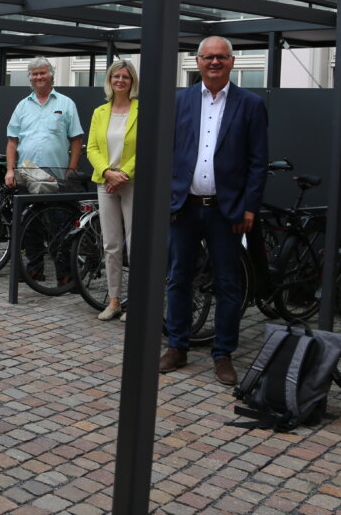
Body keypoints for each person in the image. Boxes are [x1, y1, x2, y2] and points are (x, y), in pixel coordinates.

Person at [160, 36, 268, 387]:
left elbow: (257, 161)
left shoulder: (250, 104)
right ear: (198, 62)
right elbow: (166, 151)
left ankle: (223, 353)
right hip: (185, 207)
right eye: (208, 57)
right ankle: (177, 346)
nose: (215, 63)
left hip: (227, 210)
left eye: (221, 57)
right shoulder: (180, 101)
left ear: (232, 62)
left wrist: (251, 206)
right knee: (179, 278)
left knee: (228, 283)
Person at [4, 57, 84, 282]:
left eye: (42, 73)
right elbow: (12, 142)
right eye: (34, 74)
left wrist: (72, 168)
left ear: (51, 75)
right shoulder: (22, 105)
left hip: (55, 175)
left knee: (60, 224)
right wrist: (10, 170)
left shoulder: (66, 104)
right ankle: (35, 268)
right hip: (27, 173)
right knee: (29, 225)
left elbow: (76, 139)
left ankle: (64, 274)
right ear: (30, 78)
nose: (38, 77)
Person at [85, 59, 140, 322]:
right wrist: (108, 172)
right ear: (110, 80)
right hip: (105, 182)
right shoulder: (100, 112)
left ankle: (137, 301)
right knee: (111, 244)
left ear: (132, 82)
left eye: (126, 77)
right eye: (116, 76)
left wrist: (123, 174)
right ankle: (114, 300)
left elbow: (146, 146)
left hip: (132, 182)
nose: (120, 80)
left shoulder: (142, 109)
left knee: (136, 242)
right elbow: (91, 148)